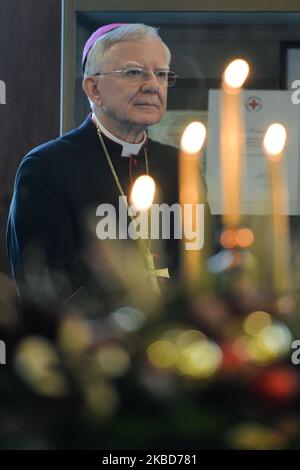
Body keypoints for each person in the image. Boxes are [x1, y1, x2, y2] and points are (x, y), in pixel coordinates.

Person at [7, 23, 209, 315]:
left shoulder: (181, 165)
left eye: (161, 73)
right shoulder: (47, 168)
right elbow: (43, 287)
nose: (153, 85)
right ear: (94, 88)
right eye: (133, 72)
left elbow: (202, 264)